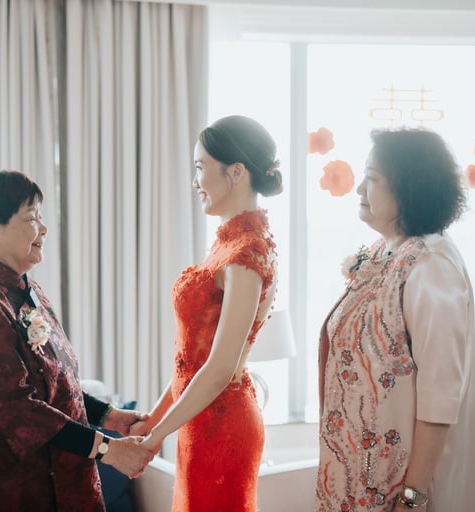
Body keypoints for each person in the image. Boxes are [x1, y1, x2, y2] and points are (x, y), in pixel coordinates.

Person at [0, 169, 154, 512]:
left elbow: (55, 385)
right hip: (0, 495)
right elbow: (17, 410)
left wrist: (110, 417)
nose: (44, 228)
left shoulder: (25, 289)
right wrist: (108, 449)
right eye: (31, 218)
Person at [316, 127, 475, 511]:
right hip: (358, 473)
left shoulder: (432, 264)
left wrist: (413, 497)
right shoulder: (384, 250)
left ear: (409, 188)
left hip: (401, 486)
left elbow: (440, 394)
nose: (359, 189)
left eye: (372, 178)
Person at [130, 115, 282, 511]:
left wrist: (155, 437)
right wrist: (153, 419)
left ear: (236, 172)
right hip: (200, 421)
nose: (195, 181)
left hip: (223, 427)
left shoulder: (247, 252)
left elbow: (219, 367)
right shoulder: (226, 244)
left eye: (200, 167)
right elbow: (191, 360)